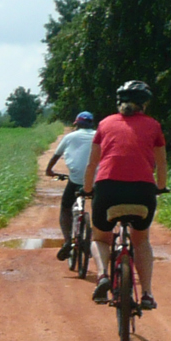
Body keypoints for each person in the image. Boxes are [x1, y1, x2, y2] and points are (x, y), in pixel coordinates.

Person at [85, 81, 168, 308]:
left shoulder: (104, 124)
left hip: (107, 187)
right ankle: (148, 294)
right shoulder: (153, 125)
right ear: (144, 104)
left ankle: (102, 275)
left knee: (101, 238)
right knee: (141, 241)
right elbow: (161, 165)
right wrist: (160, 187)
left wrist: (87, 190)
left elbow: (93, 164)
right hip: (142, 190)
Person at [44, 112, 99, 261]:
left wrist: (49, 171)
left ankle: (68, 240)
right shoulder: (99, 135)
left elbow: (55, 156)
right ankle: (96, 240)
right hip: (97, 179)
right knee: (99, 209)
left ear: (77, 124)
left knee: (66, 208)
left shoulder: (69, 137)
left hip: (76, 180)